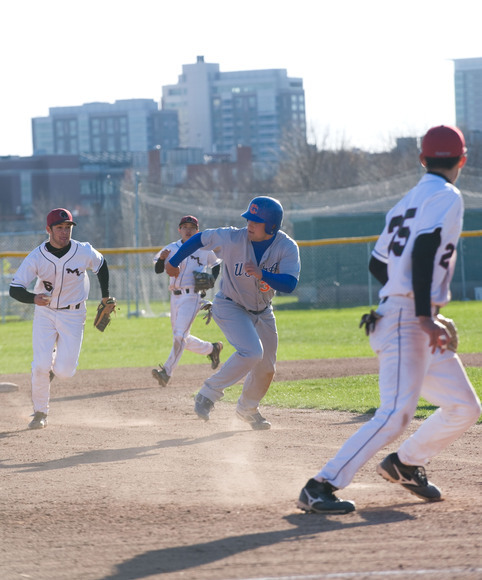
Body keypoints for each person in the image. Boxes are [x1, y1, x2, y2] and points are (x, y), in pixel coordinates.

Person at [297, 125, 482, 514]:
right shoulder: (447, 195)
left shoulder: (407, 201)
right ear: (462, 160)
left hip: (408, 316)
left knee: (464, 406)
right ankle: (320, 485)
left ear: (422, 159)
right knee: (395, 414)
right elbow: (425, 248)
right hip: (406, 322)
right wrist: (423, 314)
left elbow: (378, 264)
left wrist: (420, 307)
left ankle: (405, 464)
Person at [165, 196, 301, 430]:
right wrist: (174, 261)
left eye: (256, 221)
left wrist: (262, 274)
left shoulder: (286, 247)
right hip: (230, 305)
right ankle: (208, 393)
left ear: (271, 226)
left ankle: (247, 409)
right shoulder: (232, 237)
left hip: (263, 311)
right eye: (248, 219)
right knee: (252, 352)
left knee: (266, 367)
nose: (249, 224)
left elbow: (289, 284)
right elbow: (200, 238)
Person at [9, 208, 114, 430]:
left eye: (68, 227)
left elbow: (101, 264)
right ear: (48, 229)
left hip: (74, 314)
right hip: (45, 313)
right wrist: (33, 298)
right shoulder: (37, 256)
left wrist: (105, 296)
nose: (65, 232)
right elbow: (15, 288)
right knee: (40, 365)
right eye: (59, 228)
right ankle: (40, 412)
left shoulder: (82, 250)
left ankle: (53, 364)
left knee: (65, 372)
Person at [151, 215, 223, 387]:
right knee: (182, 337)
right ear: (179, 230)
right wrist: (162, 259)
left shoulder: (204, 249)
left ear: (197, 231)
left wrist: (211, 281)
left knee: (179, 336)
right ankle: (212, 349)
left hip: (192, 296)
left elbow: (216, 265)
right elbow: (158, 270)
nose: (188, 230)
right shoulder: (171, 248)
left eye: (192, 227)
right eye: (185, 227)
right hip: (175, 297)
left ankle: (166, 372)